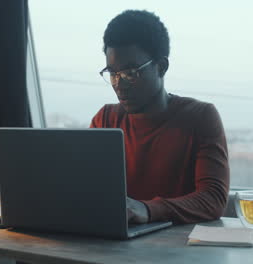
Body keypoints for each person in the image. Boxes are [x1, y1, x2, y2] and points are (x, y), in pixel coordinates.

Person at [90, 10, 230, 224]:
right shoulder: (105, 119)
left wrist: (148, 209)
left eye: (130, 73)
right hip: (114, 246)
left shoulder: (200, 117)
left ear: (161, 67)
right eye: (112, 73)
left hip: (179, 251)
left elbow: (213, 200)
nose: (119, 84)